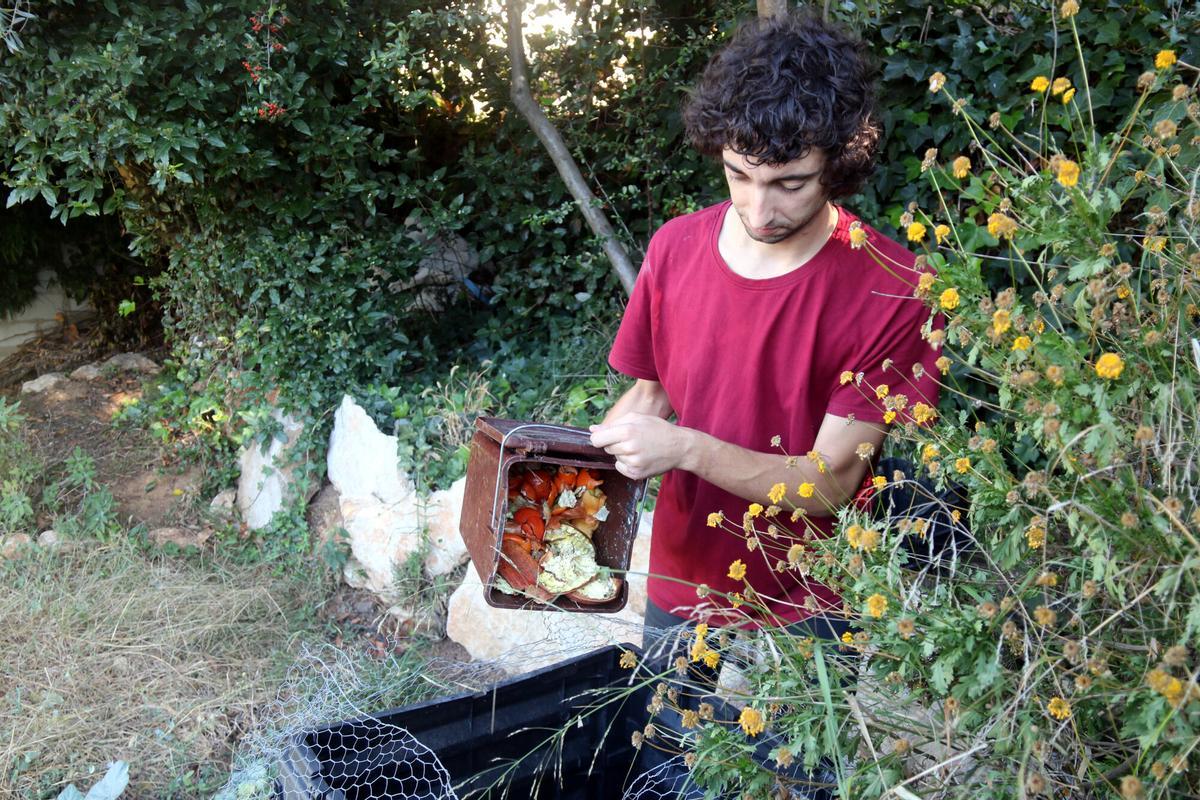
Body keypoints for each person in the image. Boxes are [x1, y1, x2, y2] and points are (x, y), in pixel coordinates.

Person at [589, 12, 943, 639]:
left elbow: (832, 482)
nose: (759, 210)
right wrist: (562, 487)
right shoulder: (675, 248)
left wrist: (686, 449)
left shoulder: (894, 287)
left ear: (840, 162)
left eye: (790, 183)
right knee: (665, 710)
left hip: (813, 594)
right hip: (684, 572)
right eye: (738, 175)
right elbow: (650, 397)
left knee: (793, 712)